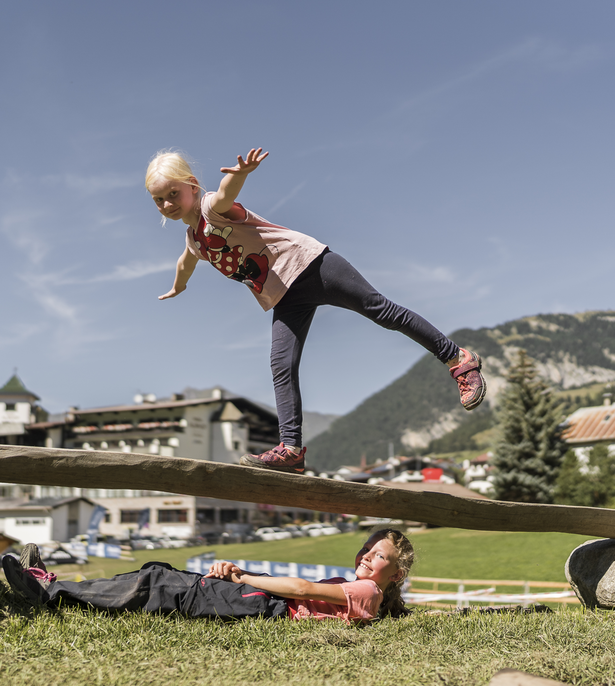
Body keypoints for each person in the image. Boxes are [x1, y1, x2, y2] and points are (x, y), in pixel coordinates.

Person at [146, 148, 486, 474]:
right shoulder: (194, 240)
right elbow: (185, 262)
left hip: (311, 266)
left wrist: (241, 174)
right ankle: (291, 450)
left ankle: (458, 359)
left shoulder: (211, 208)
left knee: (382, 311)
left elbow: (225, 193)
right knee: (281, 364)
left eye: (173, 194)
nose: (167, 204)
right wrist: (179, 286)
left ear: (192, 185)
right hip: (284, 295)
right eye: (159, 200)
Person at [2, 527, 416, 623]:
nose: (367, 555)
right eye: (367, 548)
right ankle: (55, 584)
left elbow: (302, 589)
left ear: (396, 574)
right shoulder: (361, 589)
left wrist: (242, 580)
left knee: (157, 585)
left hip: (266, 607)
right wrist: (240, 571)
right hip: (264, 599)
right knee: (158, 573)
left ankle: (48, 591)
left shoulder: (368, 593)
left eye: (379, 555)